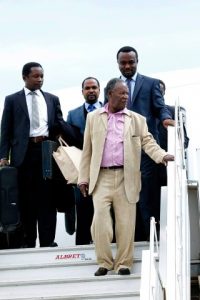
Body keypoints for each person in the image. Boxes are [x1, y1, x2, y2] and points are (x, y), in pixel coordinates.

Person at [78, 78, 174, 276]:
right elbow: (87, 150)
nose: (125, 96)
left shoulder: (136, 119)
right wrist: (83, 178)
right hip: (101, 177)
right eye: (121, 93)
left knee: (125, 222)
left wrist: (162, 155)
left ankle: (124, 263)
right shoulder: (93, 117)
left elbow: (148, 142)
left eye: (126, 94)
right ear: (109, 95)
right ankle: (104, 262)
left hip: (126, 176)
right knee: (101, 221)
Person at [0, 62, 81, 248]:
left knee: (48, 199)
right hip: (23, 155)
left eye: (42, 76)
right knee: (26, 200)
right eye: (35, 76)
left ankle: (47, 241)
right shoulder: (12, 100)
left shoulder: (52, 99)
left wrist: (80, 140)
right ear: (25, 77)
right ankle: (28, 241)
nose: (40, 79)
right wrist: (3, 155)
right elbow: (6, 130)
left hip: (46, 152)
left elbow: (59, 123)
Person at [116, 46, 175, 241]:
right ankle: (134, 237)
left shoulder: (151, 84)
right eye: (123, 63)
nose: (127, 66)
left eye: (131, 62)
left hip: (146, 149)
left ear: (137, 62)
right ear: (118, 64)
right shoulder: (113, 87)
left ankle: (152, 238)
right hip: (121, 151)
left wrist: (166, 119)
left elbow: (160, 107)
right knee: (126, 195)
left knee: (148, 193)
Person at [67, 77, 102, 245]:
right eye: (87, 88)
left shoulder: (109, 110)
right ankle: (81, 247)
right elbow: (69, 141)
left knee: (105, 210)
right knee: (82, 209)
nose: (91, 90)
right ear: (82, 92)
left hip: (106, 168)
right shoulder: (73, 115)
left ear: (99, 90)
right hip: (83, 169)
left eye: (94, 87)